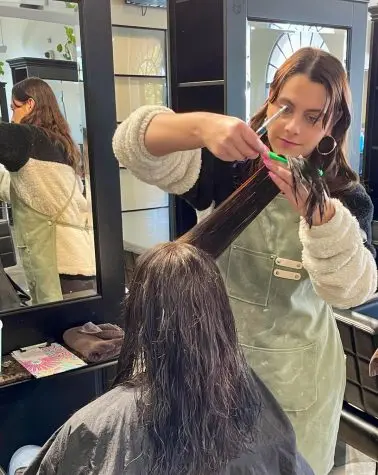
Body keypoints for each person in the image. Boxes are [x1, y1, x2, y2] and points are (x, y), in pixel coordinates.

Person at [112, 47, 378, 474]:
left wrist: (320, 216)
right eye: (285, 106)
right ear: (269, 100)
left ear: (332, 126)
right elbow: (131, 146)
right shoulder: (228, 168)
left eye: (313, 117)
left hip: (299, 375)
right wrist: (202, 126)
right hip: (213, 367)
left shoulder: (345, 197)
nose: (292, 126)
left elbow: (351, 290)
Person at [25, 242, 313, 475]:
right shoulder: (252, 395)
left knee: (22, 456)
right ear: (220, 314)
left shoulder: (96, 423)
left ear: (140, 316)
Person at [0, 77, 95, 304]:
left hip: (61, 268)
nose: (13, 116)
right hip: (80, 262)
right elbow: (23, 189)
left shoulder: (28, 138)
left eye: (14, 108)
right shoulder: (60, 144)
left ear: (30, 105)